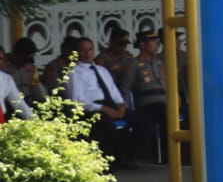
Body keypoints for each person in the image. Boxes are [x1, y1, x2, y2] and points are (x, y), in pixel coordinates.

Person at [63, 36, 136, 166]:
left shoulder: (102, 70)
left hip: (109, 104)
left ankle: (127, 157)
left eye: (90, 49)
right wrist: (102, 108)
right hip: (91, 109)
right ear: (77, 53)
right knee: (106, 124)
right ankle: (107, 163)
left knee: (140, 121)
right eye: (83, 50)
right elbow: (77, 101)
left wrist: (121, 105)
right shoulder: (74, 73)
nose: (88, 53)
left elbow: (113, 91)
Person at [122, 29, 169, 164]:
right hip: (148, 103)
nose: (157, 45)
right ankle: (165, 155)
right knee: (164, 114)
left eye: (157, 42)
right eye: (153, 42)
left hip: (165, 99)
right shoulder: (134, 64)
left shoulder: (160, 62)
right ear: (142, 45)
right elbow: (126, 88)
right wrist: (126, 109)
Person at [1, 37, 42, 104]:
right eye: (24, 59)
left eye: (30, 60)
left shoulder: (31, 68)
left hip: (28, 101)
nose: (26, 63)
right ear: (15, 53)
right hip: (8, 103)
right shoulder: (3, 65)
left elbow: (36, 87)